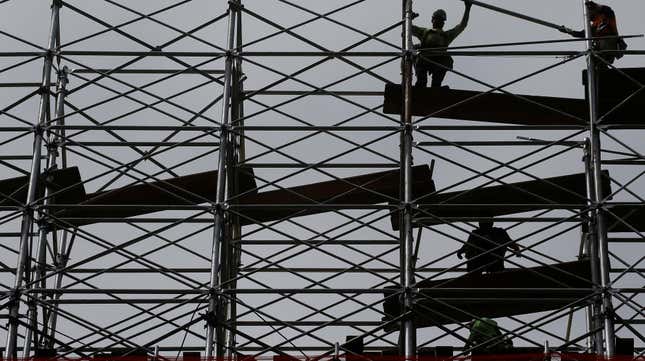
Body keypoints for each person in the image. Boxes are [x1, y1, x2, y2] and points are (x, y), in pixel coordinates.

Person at [412, 0, 472, 88]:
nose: (440, 21)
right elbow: (409, 28)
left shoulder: (446, 35)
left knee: (446, 61)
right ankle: (421, 83)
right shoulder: (425, 32)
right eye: (438, 19)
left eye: (442, 20)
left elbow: (462, 26)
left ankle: (436, 86)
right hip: (425, 57)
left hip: (439, 59)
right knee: (421, 77)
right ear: (432, 20)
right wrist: (409, 18)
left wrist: (467, 8)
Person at [559, 1, 627, 66]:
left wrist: (594, 5)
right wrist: (568, 31)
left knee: (601, 47)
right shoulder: (594, 26)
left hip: (609, 43)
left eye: (589, 13)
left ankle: (601, 63)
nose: (589, 17)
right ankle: (599, 67)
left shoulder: (607, 14)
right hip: (601, 47)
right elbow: (582, 34)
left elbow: (605, 8)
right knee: (594, 59)